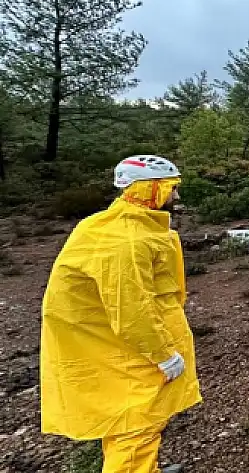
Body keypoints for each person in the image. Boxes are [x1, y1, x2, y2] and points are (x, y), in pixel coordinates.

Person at [41, 155, 199, 473]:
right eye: (171, 188)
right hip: (122, 346)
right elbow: (131, 310)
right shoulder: (127, 240)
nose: (176, 196)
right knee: (137, 421)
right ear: (149, 190)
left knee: (128, 417)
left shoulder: (114, 226)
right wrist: (163, 354)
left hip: (113, 342)